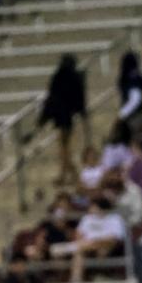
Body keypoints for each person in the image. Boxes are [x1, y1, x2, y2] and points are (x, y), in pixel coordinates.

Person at [38, 54, 87, 185]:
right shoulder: (75, 78)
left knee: (64, 149)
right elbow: (79, 98)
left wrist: (42, 120)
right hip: (68, 117)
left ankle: (70, 175)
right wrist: (82, 113)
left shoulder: (58, 78)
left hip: (60, 118)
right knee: (65, 148)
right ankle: (67, 175)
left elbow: (51, 99)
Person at [118, 51, 142, 123]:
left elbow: (135, 100)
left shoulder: (131, 80)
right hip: (140, 115)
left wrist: (122, 114)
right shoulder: (138, 77)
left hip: (134, 118)